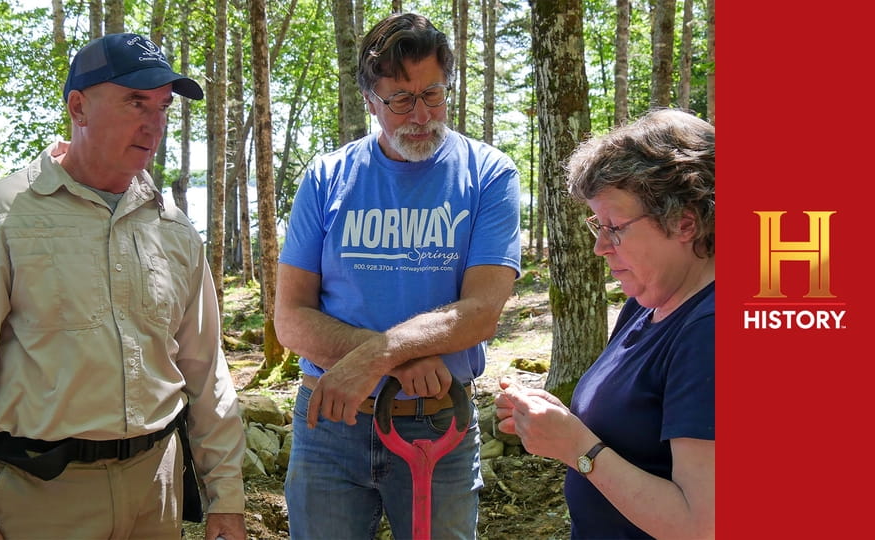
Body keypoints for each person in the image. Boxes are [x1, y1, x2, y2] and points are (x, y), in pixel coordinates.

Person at [0, 33, 247, 540]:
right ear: (78, 107)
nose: (154, 124)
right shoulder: (1, 218)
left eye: (162, 107)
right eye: (135, 102)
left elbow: (205, 370)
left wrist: (227, 495)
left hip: (156, 492)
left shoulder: (173, 229)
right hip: (38, 495)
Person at [274, 12, 521, 540]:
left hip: (439, 422)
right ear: (370, 101)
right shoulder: (326, 178)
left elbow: (481, 312)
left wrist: (378, 358)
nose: (422, 115)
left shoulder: (489, 174)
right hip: (331, 420)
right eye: (401, 100)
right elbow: (291, 318)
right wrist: (394, 359)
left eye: (433, 94)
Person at [495, 108, 715, 539]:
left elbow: (701, 525)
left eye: (614, 227)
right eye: (598, 225)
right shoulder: (647, 302)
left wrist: (577, 448)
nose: (600, 246)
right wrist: (556, 422)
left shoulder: (709, 333)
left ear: (684, 223)